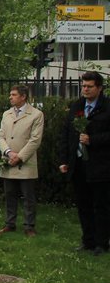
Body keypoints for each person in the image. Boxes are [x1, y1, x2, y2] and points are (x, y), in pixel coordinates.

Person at [60, 71, 110, 254]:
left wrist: (93, 140)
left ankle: (101, 242)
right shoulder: (77, 106)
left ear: (99, 88)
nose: (85, 89)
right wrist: (64, 159)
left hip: (100, 165)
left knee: (100, 205)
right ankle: (87, 240)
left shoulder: (106, 107)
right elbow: (66, 134)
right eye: (83, 86)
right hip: (79, 163)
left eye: (89, 86)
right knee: (83, 204)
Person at [0, 85, 44, 236]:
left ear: (23, 97)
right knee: (10, 194)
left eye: (13, 94)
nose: (10, 97)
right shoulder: (7, 114)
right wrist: (9, 153)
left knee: (28, 196)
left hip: (25, 162)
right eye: (10, 94)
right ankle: (10, 223)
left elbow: (35, 140)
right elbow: (0, 136)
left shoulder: (36, 115)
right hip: (9, 161)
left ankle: (29, 226)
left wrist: (20, 156)